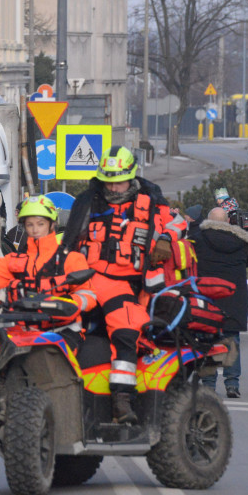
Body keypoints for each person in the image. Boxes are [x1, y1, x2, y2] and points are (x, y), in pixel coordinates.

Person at [60, 146, 186, 424]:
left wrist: (165, 238)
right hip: (85, 277)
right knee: (57, 317)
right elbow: (68, 240)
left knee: (127, 331)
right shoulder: (88, 201)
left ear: (131, 176)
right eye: (108, 181)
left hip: (126, 283)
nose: (113, 187)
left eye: (119, 181)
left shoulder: (151, 200)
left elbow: (178, 223)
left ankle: (122, 399)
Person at [0, 196, 95, 331]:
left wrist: (63, 304)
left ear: (51, 224)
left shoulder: (71, 259)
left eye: (40, 224)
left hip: (63, 330)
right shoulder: (14, 260)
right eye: (30, 224)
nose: (35, 229)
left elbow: (88, 296)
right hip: (22, 332)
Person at [192, 207, 248, 398]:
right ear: (228, 222)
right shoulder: (240, 240)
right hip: (233, 299)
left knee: (207, 341)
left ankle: (208, 384)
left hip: (207, 299)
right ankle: (232, 384)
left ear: (208, 220)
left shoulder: (198, 239)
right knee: (232, 341)